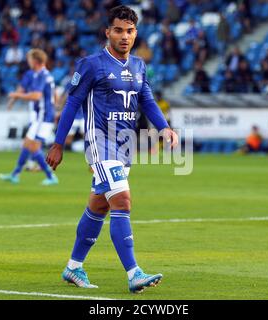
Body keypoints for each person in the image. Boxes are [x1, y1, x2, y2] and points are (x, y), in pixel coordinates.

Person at [46, 5, 178, 293]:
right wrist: (58, 142)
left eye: (130, 31)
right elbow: (71, 103)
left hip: (125, 146)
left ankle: (73, 267)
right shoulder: (92, 64)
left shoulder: (139, 66)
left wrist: (164, 127)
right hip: (100, 142)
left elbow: (147, 101)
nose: (124, 36)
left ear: (136, 33)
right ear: (108, 32)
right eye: (118, 30)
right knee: (122, 201)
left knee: (99, 205)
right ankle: (134, 273)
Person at [0, 49, 59, 186]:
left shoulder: (42, 75)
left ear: (35, 61)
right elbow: (54, 94)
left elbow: (36, 96)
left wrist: (15, 96)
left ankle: (50, 177)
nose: (28, 62)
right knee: (27, 144)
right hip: (43, 115)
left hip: (43, 117)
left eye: (30, 60)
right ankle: (15, 174)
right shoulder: (43, 74)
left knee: (32, 146)